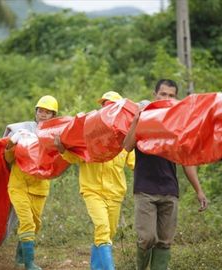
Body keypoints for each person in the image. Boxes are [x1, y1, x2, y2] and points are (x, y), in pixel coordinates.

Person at [123, 79, 208, 270]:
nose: (166, 98)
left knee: (165, 241)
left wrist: (199, 190)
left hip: (170, 190)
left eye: (171, 95)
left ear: (176, 98)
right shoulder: (144, 119)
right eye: (163, 94)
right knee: (146, 238)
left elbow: (187, 161)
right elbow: (127, 146)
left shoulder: (178, 125)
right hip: (145, 189)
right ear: (155, 95)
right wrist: (136, 121)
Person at [54, 91, 135, 270]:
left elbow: (135, 164)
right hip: (92, 191)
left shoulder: (125, 141)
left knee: (108, 233)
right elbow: (74, 157)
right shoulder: (88, 135)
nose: (107, 108)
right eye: (105, 105)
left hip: (115, 194)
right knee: (103, 229)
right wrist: (62, 149)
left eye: (111, 106)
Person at [4, 95, 58, 270]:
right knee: (27, 222)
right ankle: (29, 263)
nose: (43, 114)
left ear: (53, 115)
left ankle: (20, 257)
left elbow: (58, 160)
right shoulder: (22, 130)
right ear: (35, 112)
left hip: (40, 186)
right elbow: (8, 158)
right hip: (18, 184)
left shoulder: (54, 134)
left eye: (47, 112)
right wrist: (12, 144)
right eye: (40, 111)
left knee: (35, 224)